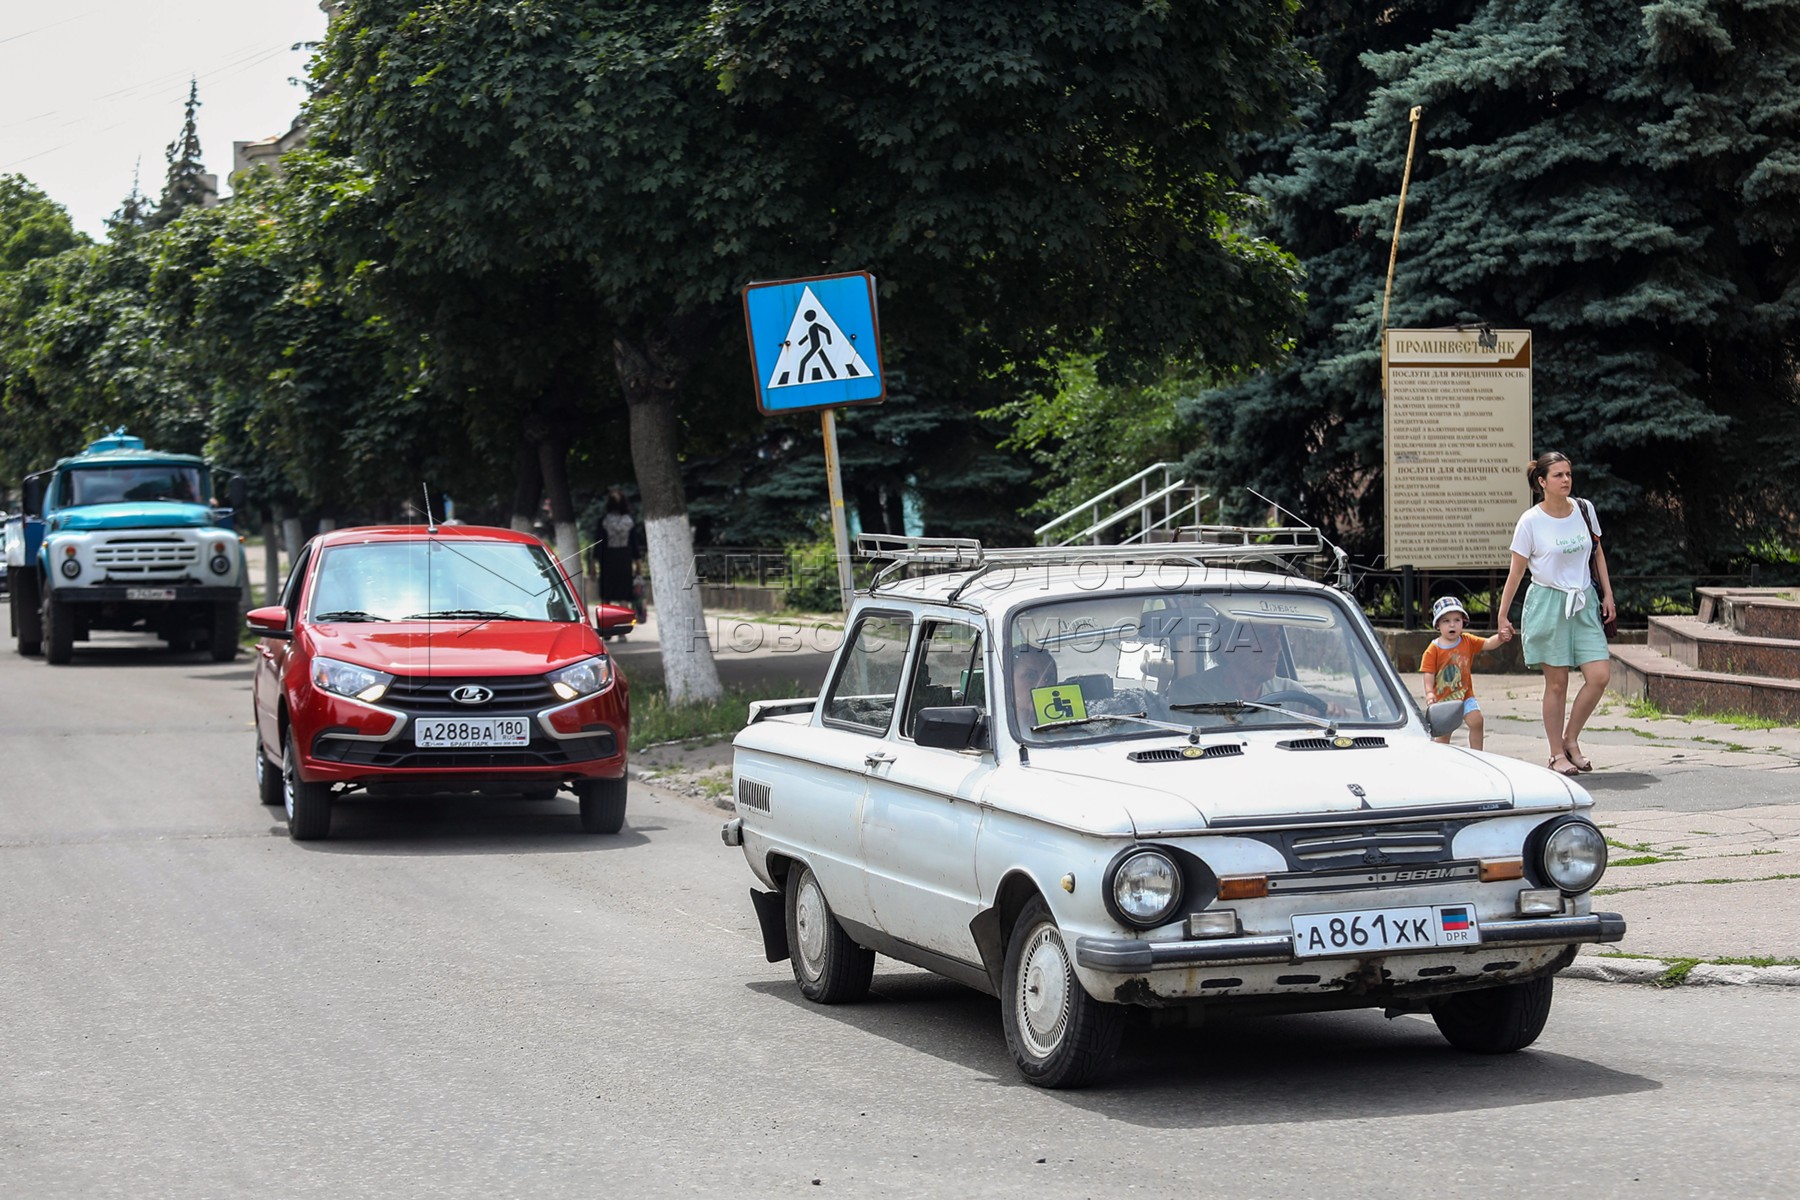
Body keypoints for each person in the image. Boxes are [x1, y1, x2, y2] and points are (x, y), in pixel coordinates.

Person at [1495, 452, 1615, 776]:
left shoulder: (1584, 510)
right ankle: (1555, 753)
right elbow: (1516, 573)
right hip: (1547, 604)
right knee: (1558, 683)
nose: (1566, 480)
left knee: (1599, 676)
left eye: (1568, 474)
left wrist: (1608, 594)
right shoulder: (1530, 522)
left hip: (1584, 602)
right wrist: (1503, 614)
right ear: (1542, 482)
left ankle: (1570, 739)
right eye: (1559, 475)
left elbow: (1597, 552)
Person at [1420, 595, 1511, 751]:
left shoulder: (1467, 641)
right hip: (1443, 700)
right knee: (1444, 735)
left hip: (1465, 695)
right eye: (1446, 621)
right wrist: (1429, 693)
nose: (1452, 624)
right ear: (1438, 625)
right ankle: (1440, 758)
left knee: (1477, 721)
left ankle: (1478, 754)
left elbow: (1488, 643)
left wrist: (1500, 638)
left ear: (1463, 621)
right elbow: (1429, 672)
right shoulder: (1433, 649)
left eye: (1456, 620)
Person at [597, 489, 637, 610]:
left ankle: (605, 622)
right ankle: (624, 620)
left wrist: (593, 563)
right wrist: (638, 564)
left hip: (608, 558)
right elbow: (634, 543)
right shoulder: (629, 521)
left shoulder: (604, 520)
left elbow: (599, 542)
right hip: (624, 557)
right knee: (623, 593)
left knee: (606, 593)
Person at [1010, 644, 1059, 731]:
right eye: (1030, 676)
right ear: (1008, 680)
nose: (1042, 686)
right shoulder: (994, 728)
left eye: (1049, 678)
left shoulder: (1065, 727)